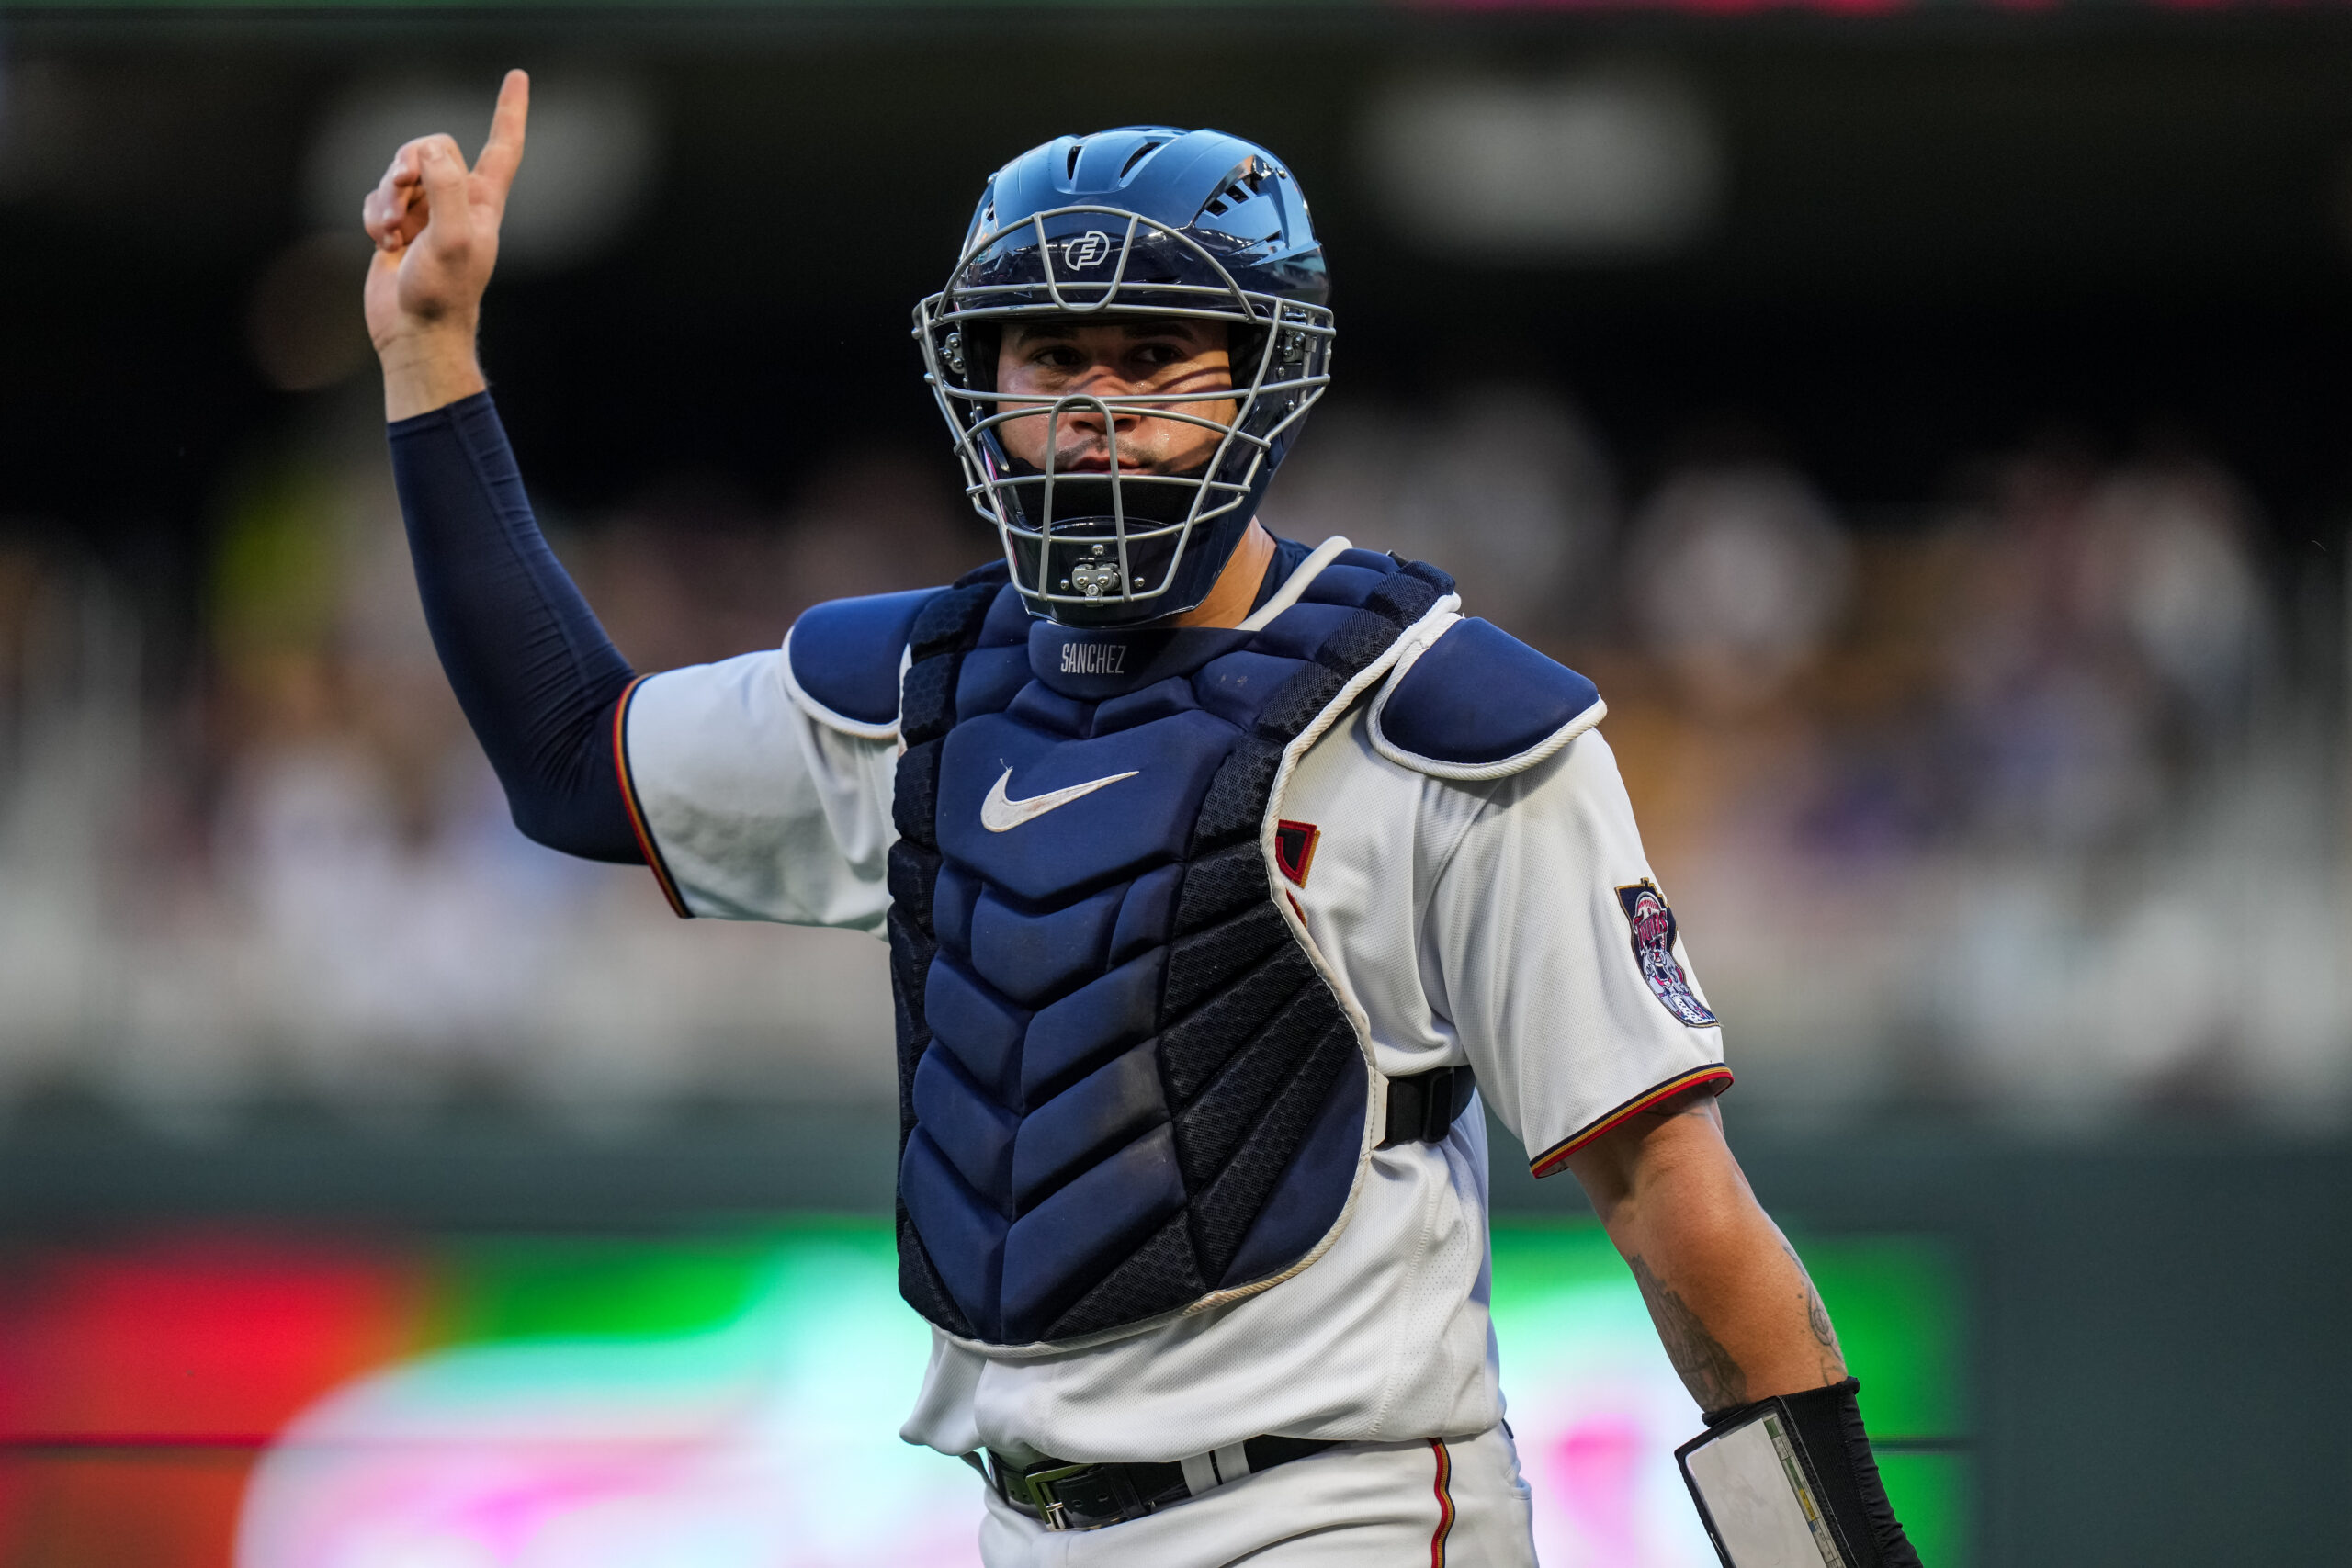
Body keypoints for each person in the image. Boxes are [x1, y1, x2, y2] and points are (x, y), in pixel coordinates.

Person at [362, 69, 1922, 1567]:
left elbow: (1674, 1203)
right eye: (1048, 354)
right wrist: (434, 351)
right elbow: (576, 760)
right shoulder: (922, 687)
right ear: (982, 381)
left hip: (1340, 1519)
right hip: (1018, 1523)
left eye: (1155, 351)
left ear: (1266, 372)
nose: (1095, 402)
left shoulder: (1440, 718)